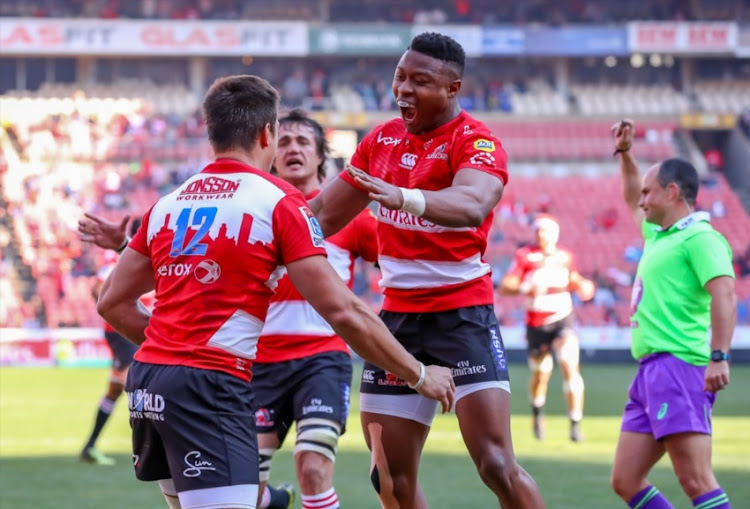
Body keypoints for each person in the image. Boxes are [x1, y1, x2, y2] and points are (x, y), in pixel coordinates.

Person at [95, 74, 454, 509]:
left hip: (150, 384)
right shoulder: (280, 203)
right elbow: (344, 311)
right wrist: (419, 373)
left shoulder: (170, 203)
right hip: (211, 384)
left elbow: (111, 301)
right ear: (267, 134)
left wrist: (173, 347)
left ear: (211, 133)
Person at [308, 33, 546, 508]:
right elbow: (321, 216)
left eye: (421, 81)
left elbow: (473, 203)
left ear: (452, 88)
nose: (404, 90)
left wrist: (406, 197)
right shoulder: (380, 141)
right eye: (400, 77)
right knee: (389, 478)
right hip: (396, 324)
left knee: (496, 464)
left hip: (463, 318)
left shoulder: (476, 141)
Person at [253, 109, 378, 509]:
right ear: (271, 154)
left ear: (321, 154)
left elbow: (399, 260)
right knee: (243, 489)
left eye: (303, 141)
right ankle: (274, 502)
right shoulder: (256, 210)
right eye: (284, 141)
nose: (292, 148)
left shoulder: (349, 218)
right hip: (260, 362)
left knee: (312, 468)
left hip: (322, 359)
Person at [610, 119, 736, 509]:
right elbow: (632, 198)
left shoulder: (701, 238)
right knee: (626, 479)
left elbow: (725, 293)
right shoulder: (661, 235)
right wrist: (626, 153)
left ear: (673, 191)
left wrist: (719, 356)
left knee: (696, 479)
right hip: (651, 371)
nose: (642, 199)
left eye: (650, 192)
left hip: (681, 366)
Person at [499, 213, 595, 442]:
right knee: (541, 374)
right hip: (536, 324)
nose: (542, 235)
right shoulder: (525, 256)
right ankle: (537, 415)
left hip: (563, 319)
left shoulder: (565, 256)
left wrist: (583, 286)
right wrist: (526, 288)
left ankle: (575, 423)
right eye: (538, 230)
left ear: (555, 233)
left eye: (546, 230)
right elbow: (506, 286)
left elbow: (574, 280)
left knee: (569, 365)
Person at [78, 217, 146, 466]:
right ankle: (152, 447)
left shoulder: (134, 254)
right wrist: (124, 297)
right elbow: (98, 289)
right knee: (140, 382)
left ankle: (90, 446)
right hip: (122, 327)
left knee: (117, 388)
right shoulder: (126, 257)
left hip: (127, 325)